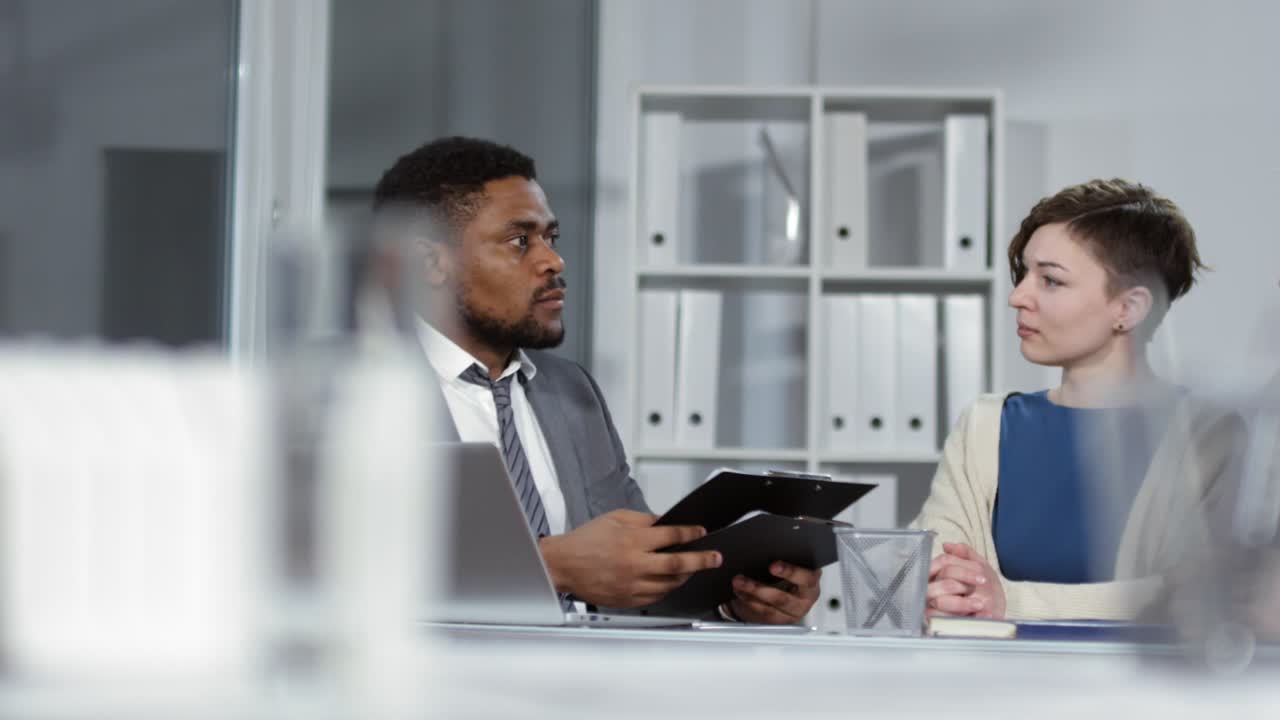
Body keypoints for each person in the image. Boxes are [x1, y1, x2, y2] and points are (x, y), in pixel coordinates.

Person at [372, 136, 820, 623]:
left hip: (584, 684)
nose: (553, 261)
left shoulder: (572, 392)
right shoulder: (355, 393)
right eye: (520, 240)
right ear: (432, 263)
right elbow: (331, 574)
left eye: (551, 238)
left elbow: (631, 581)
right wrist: (550, 566)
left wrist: (737, 600)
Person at [911, 178, 1240, 621]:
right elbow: (932, 572)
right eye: (1023, 273)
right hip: (989, 686)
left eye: (1050, 280)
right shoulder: (985, 426)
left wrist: (1013, 602)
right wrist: (947, 589)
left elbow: (1205, 593)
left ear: (1128, 309)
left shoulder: (1212, 436)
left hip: (1146, 691)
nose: (1017, 297)